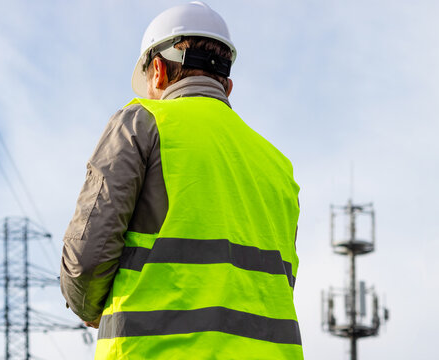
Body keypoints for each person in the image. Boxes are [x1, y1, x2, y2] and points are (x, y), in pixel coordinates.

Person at [60, 2, 303, 359]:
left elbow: (86, 262)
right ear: (228, 86)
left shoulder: (141, 124)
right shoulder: (278, 166)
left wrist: (87, 306)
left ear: (157, 71)